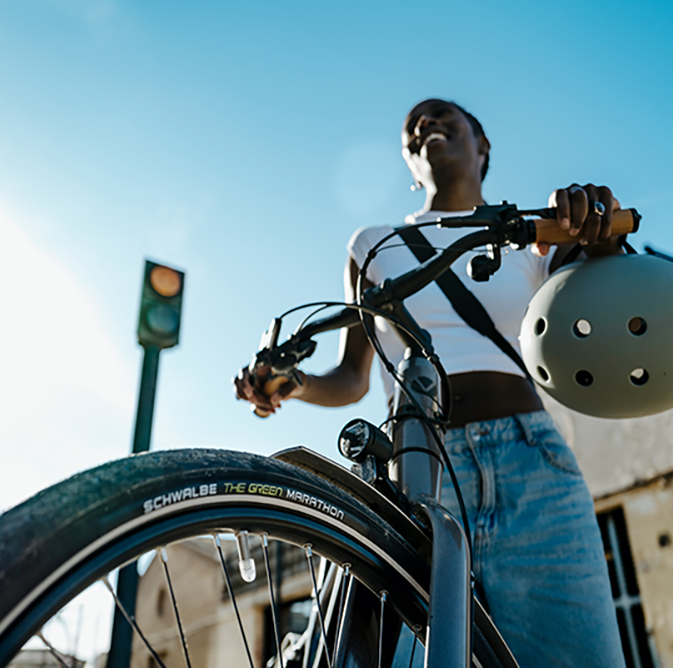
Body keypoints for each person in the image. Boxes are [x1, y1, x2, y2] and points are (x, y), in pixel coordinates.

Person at [234, 99, 627, 667]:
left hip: (532, 463)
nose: (427, 128)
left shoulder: (532, 233)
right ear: (410, 162)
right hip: (419, 468)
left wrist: (595, 229)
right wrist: (293, 384)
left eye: (445, 118)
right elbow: (352, 377)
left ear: (482, 145)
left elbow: (595, 301)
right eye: (413, 129)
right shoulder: (373, 245)